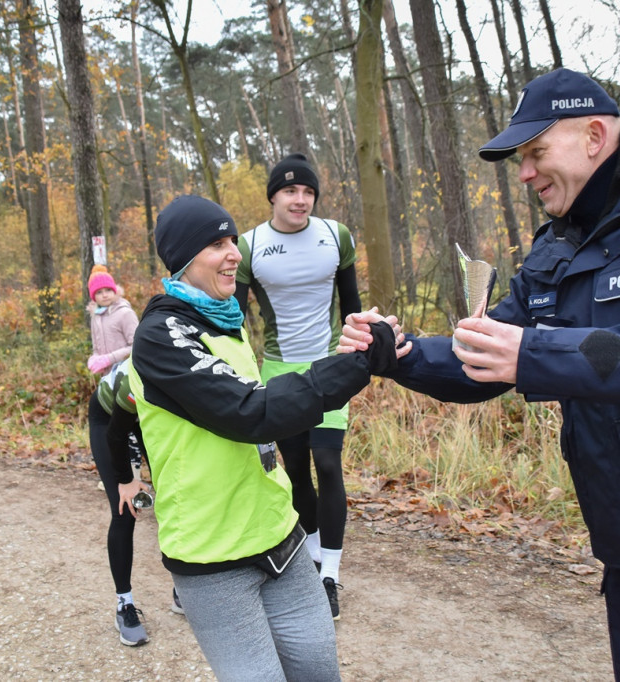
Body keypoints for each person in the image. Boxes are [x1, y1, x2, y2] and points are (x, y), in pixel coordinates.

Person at [339, 68, 620, 681]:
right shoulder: (554, 249)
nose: (523, 174)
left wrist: (538, 355)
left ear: (595, 136)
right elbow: (489, 358)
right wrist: (400, 354)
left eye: (535, 153)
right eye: (521, 159)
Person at [122, 194, 405, 681]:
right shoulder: (159, 336)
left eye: (233, 240)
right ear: (184, 259)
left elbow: (268, 395)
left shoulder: (225, 322)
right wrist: (357, 367)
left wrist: (346, 351)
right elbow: (250, 412)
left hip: (280, 536)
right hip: (213, 560)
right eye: (216, 243)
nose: (234, 252)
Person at [234, 152, 362, 620]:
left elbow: (352, 306)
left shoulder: (336, 236)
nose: (300, 199)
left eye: (308, 192)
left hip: (330, 365)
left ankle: (329, 573)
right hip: (279, 372)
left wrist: (360, 358)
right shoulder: (249, 245)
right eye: (290, 191)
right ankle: (308, 560)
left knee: (328, 463)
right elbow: (235, 316)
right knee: (295, 470)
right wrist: (241, 366)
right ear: (273, 196)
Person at [84, 267, 149, 646]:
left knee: (174, 498)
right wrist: (128, 478)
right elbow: (118, 431)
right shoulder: (137, 380)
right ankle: (124, 605)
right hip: (109, 418)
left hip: (146, 419)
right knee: (125, 509)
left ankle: (185, 587)